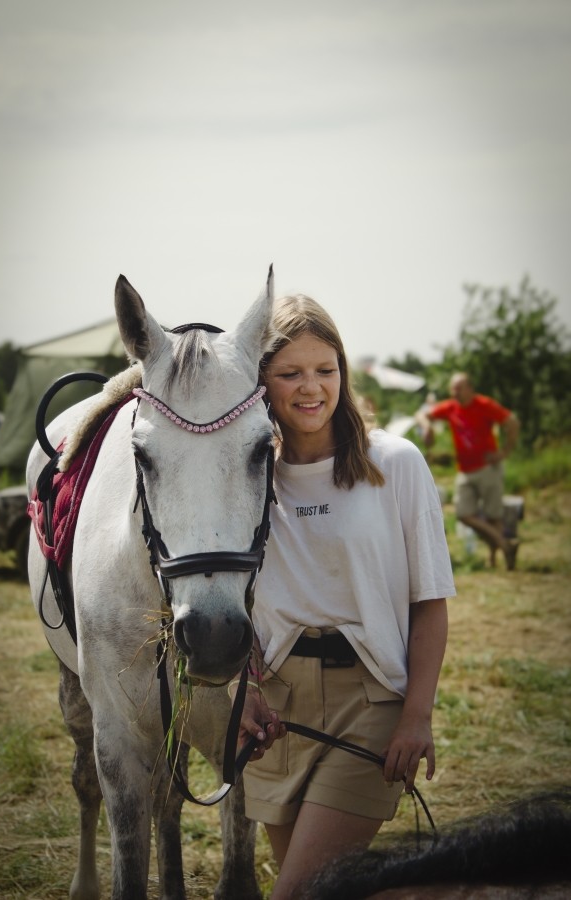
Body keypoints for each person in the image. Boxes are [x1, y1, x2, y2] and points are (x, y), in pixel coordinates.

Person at [228, 295, 455, 900]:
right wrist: (241, 687)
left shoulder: (394, 464)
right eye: (290, 373)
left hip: (370, 701)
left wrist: (417, 715)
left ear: (343, 372)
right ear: (261, 383)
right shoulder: (248, 477)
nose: (311, 388)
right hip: (277, 712)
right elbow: (232, 597)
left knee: (298, 892)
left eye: (325, 369)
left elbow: (429, 603)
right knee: (321, 890)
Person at [416, 373, 520, 570]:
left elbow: (512, 422)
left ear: (470, 388)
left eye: (459, 388)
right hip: (464, 470)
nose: (455, 392)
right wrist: (427, 426)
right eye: (453, 388)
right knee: (463, 514)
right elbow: (421, 414)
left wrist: (504, 453)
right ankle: (506, 545)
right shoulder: (450, 407)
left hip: (488, 468)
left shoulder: (484, 405)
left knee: (492, 517)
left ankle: (494, 558)